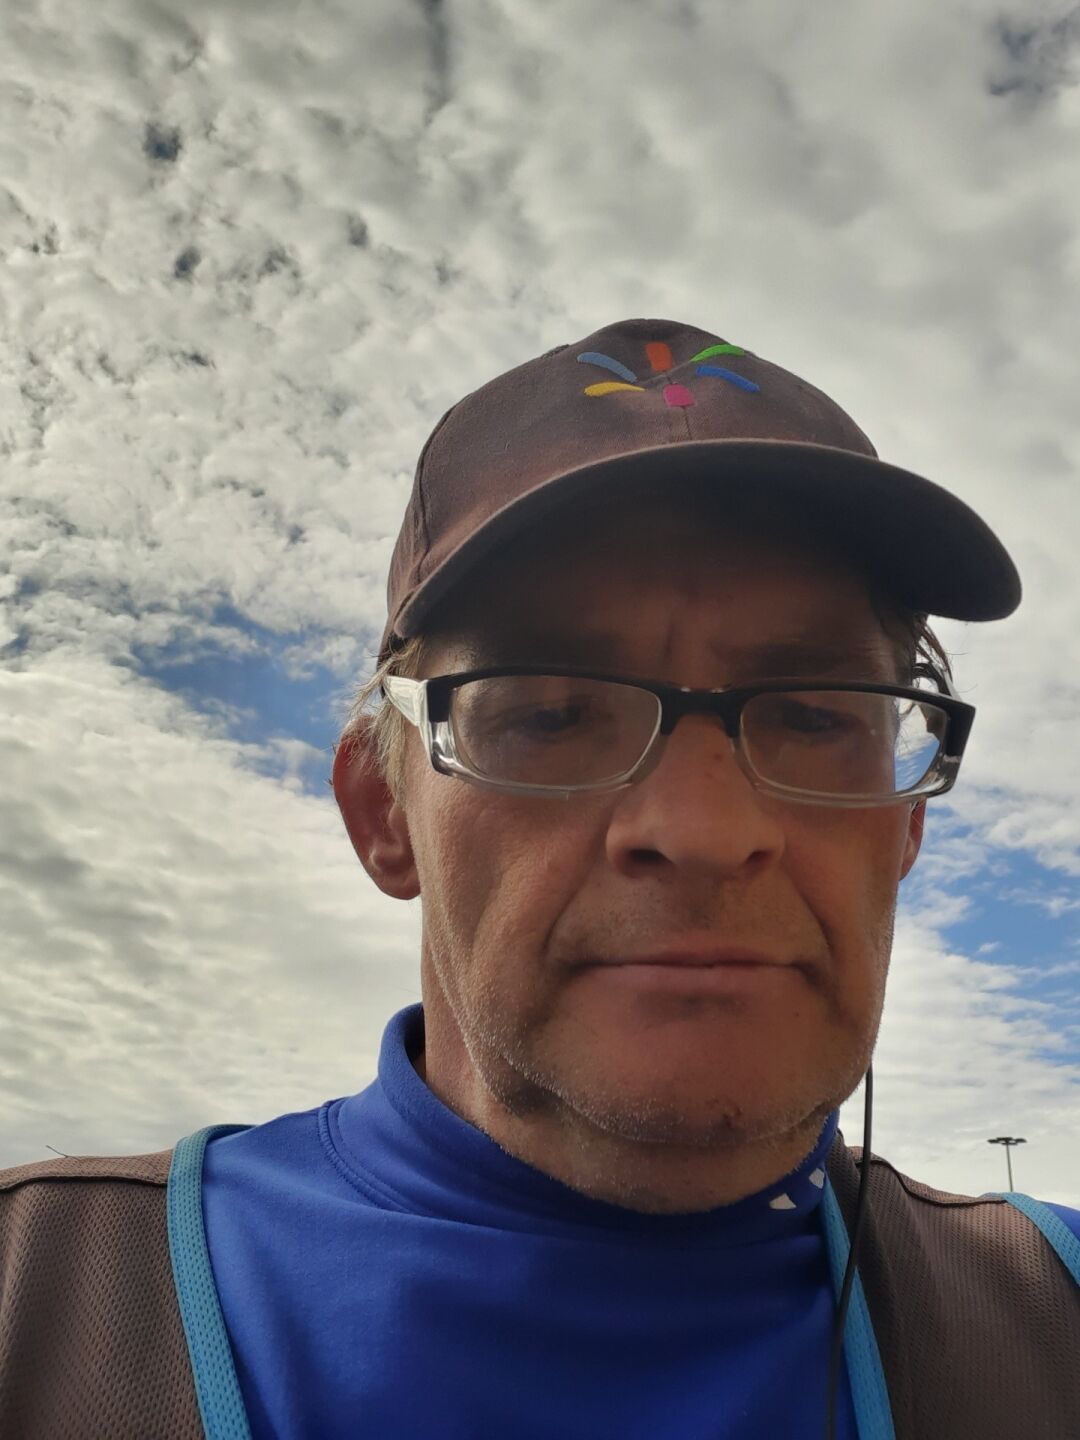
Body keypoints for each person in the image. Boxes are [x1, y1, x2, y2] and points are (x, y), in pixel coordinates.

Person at [1, 319, 1078, 1440]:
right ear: (384, 815)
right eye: (551, 714)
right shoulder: (34, 1307)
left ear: (905, 826)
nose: (705, 829)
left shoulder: (1055, 1306)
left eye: (815, 718)